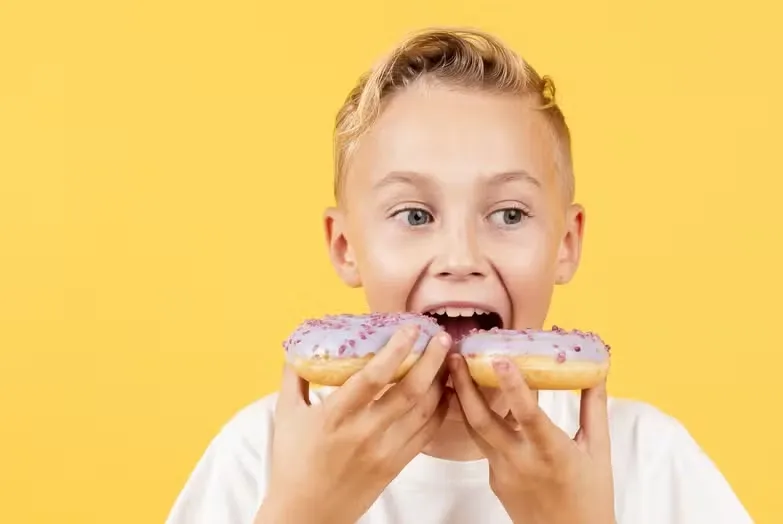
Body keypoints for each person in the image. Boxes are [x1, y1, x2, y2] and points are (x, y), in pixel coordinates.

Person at [166, 27, 752, 524]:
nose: (461, 256)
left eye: (509, 214)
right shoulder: (264, 456)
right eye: (415, 215)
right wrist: (302, 513)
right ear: (346, 247)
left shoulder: (647, 462)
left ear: (566, 244)